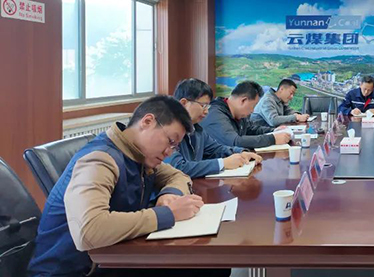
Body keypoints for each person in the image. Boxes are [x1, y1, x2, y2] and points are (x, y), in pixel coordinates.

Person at [27, 96, 210, 277]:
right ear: (147, 122)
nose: (169, 152)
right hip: (74, 271)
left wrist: (169, 194)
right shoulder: (100, 160)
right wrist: (168, 214)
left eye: (175, 146)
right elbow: (89, 231)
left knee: (202, 266)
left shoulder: (139, 155)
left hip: (112, 258)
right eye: (170, 141)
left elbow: (178, 176)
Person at [165, 78, 262, 178]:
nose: (206, 111)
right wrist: (223, 163)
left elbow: (216, 149)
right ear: (183, 103)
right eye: (203, 106)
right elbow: (178, 168)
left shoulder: (197, 129)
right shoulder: (167, 131)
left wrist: (241, 153)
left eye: (208, 107)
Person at [201, 81, 292, 149]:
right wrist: (272, 139)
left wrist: (273, 130)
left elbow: (250, 129)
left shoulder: (239, 114)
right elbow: (235, 142)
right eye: (253, 106)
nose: (252, 111)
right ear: (243, 100)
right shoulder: (215, 113)